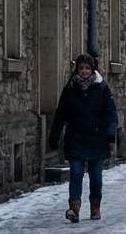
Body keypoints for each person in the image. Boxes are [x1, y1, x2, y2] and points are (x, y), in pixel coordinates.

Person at [48, 54, 118, 223]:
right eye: (81, 68)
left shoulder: (102, 88)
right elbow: (60, 114)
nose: (84, 71)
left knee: (95, 176)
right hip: (75, 136)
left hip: (97, 137)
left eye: (87, 68)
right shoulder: (70, 89)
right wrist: (54, 136)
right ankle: (74, 208)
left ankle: (95, 207)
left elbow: (111, 113)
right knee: (76, 173)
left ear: (92, 69)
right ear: (77, 69)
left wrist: (110, 132)